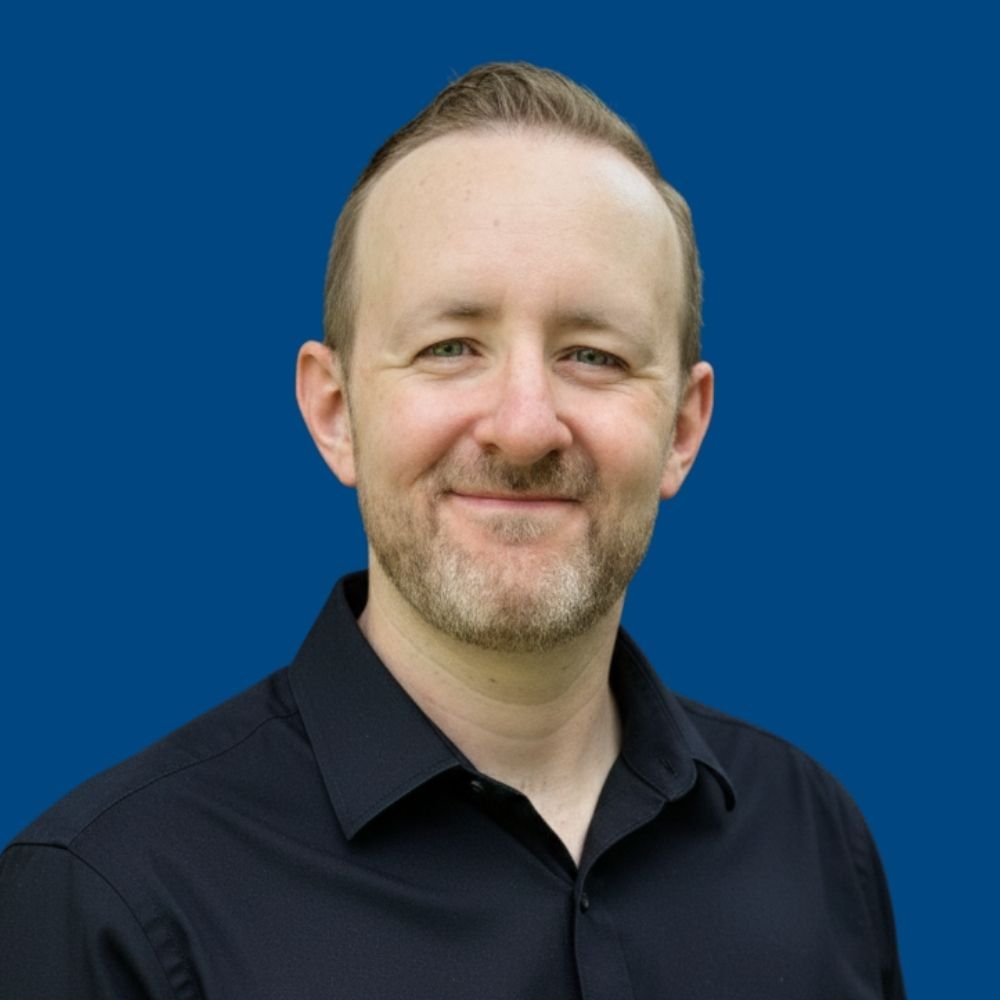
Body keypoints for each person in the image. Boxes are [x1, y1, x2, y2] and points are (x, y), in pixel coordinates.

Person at [0, 63, 905, 998]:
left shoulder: (815, 841)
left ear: (682, 427)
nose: (523, 424)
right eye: (450, 348)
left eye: (592, 355)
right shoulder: (109, 896)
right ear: (336, 410)